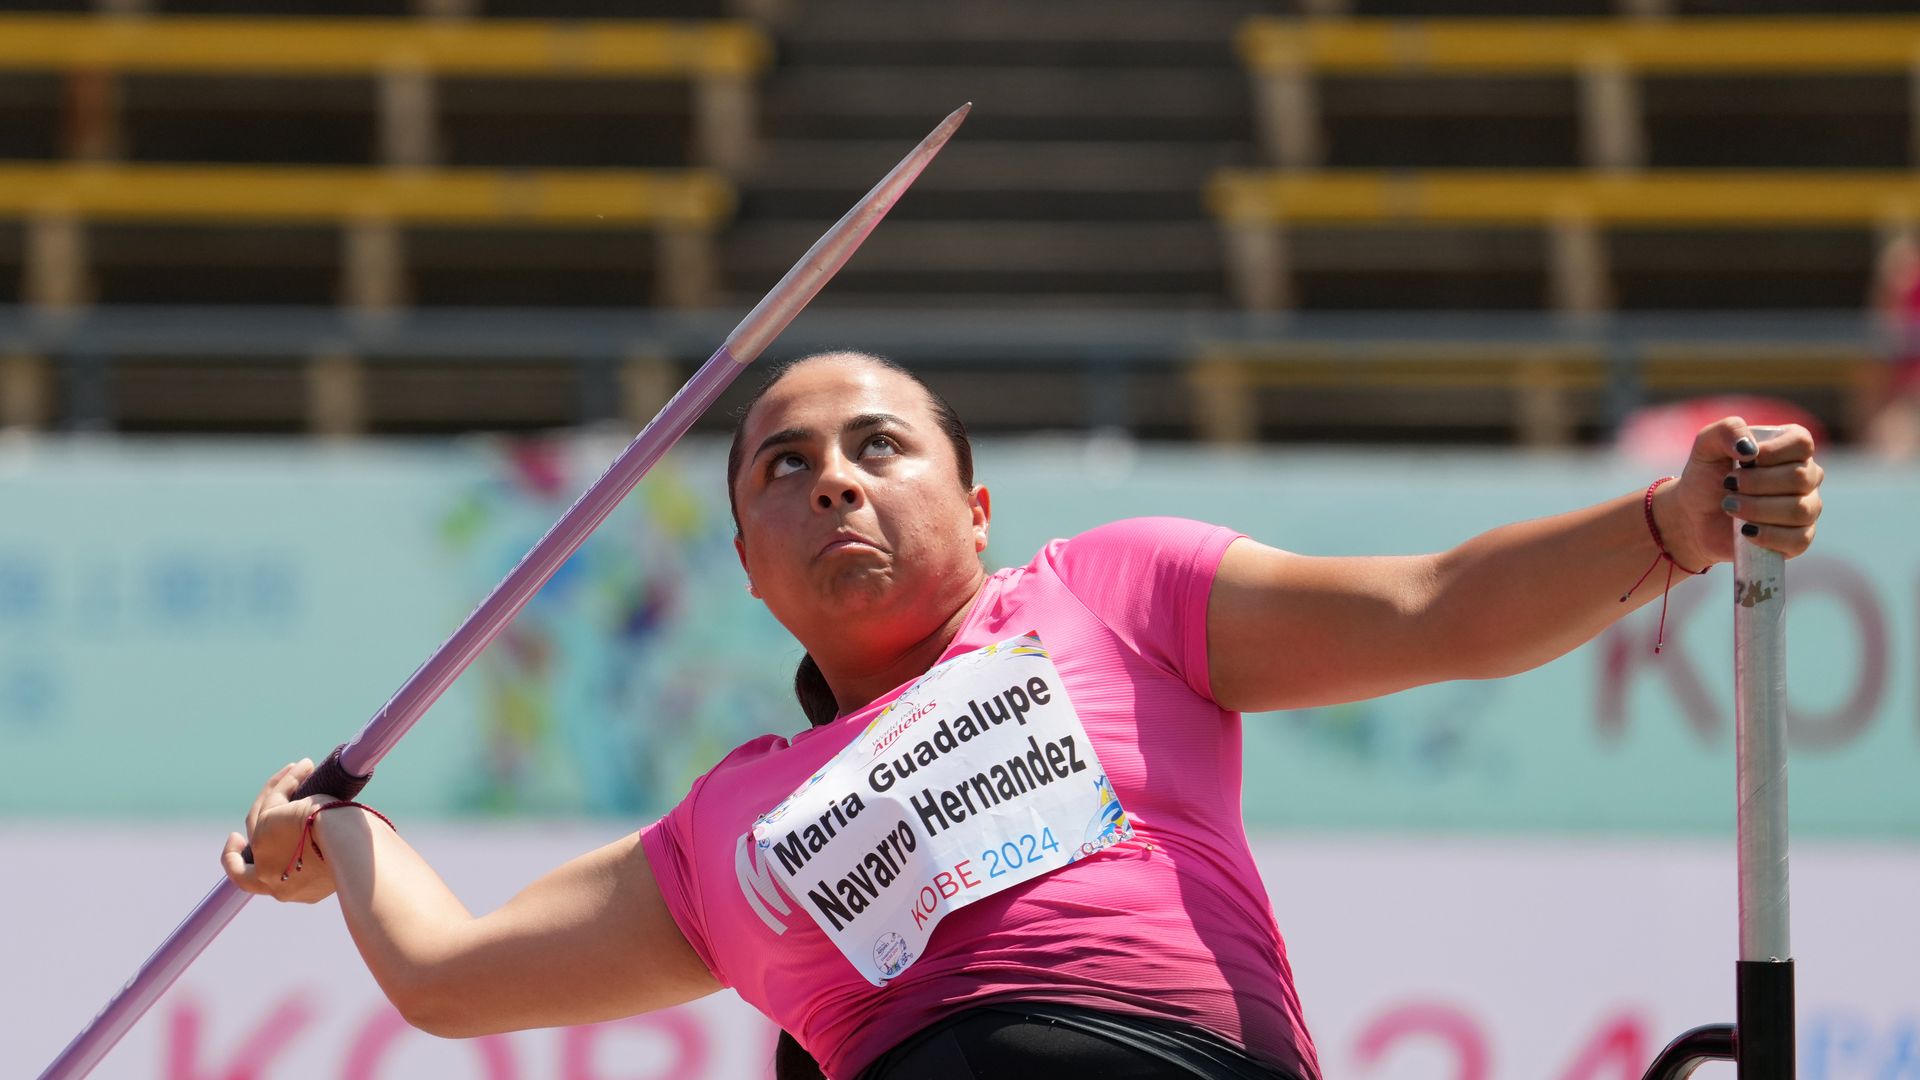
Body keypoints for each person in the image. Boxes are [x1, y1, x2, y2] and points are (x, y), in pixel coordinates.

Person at [223, 351, 1825, 1080]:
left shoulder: (1115, 594)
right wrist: (345, 836)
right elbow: (452, 976)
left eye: (878, 447)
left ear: (979, 512)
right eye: (785, 466)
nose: (834, 480)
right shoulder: (727, 823)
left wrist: (1671, 526)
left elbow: (1436, 609)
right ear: (749, 570)